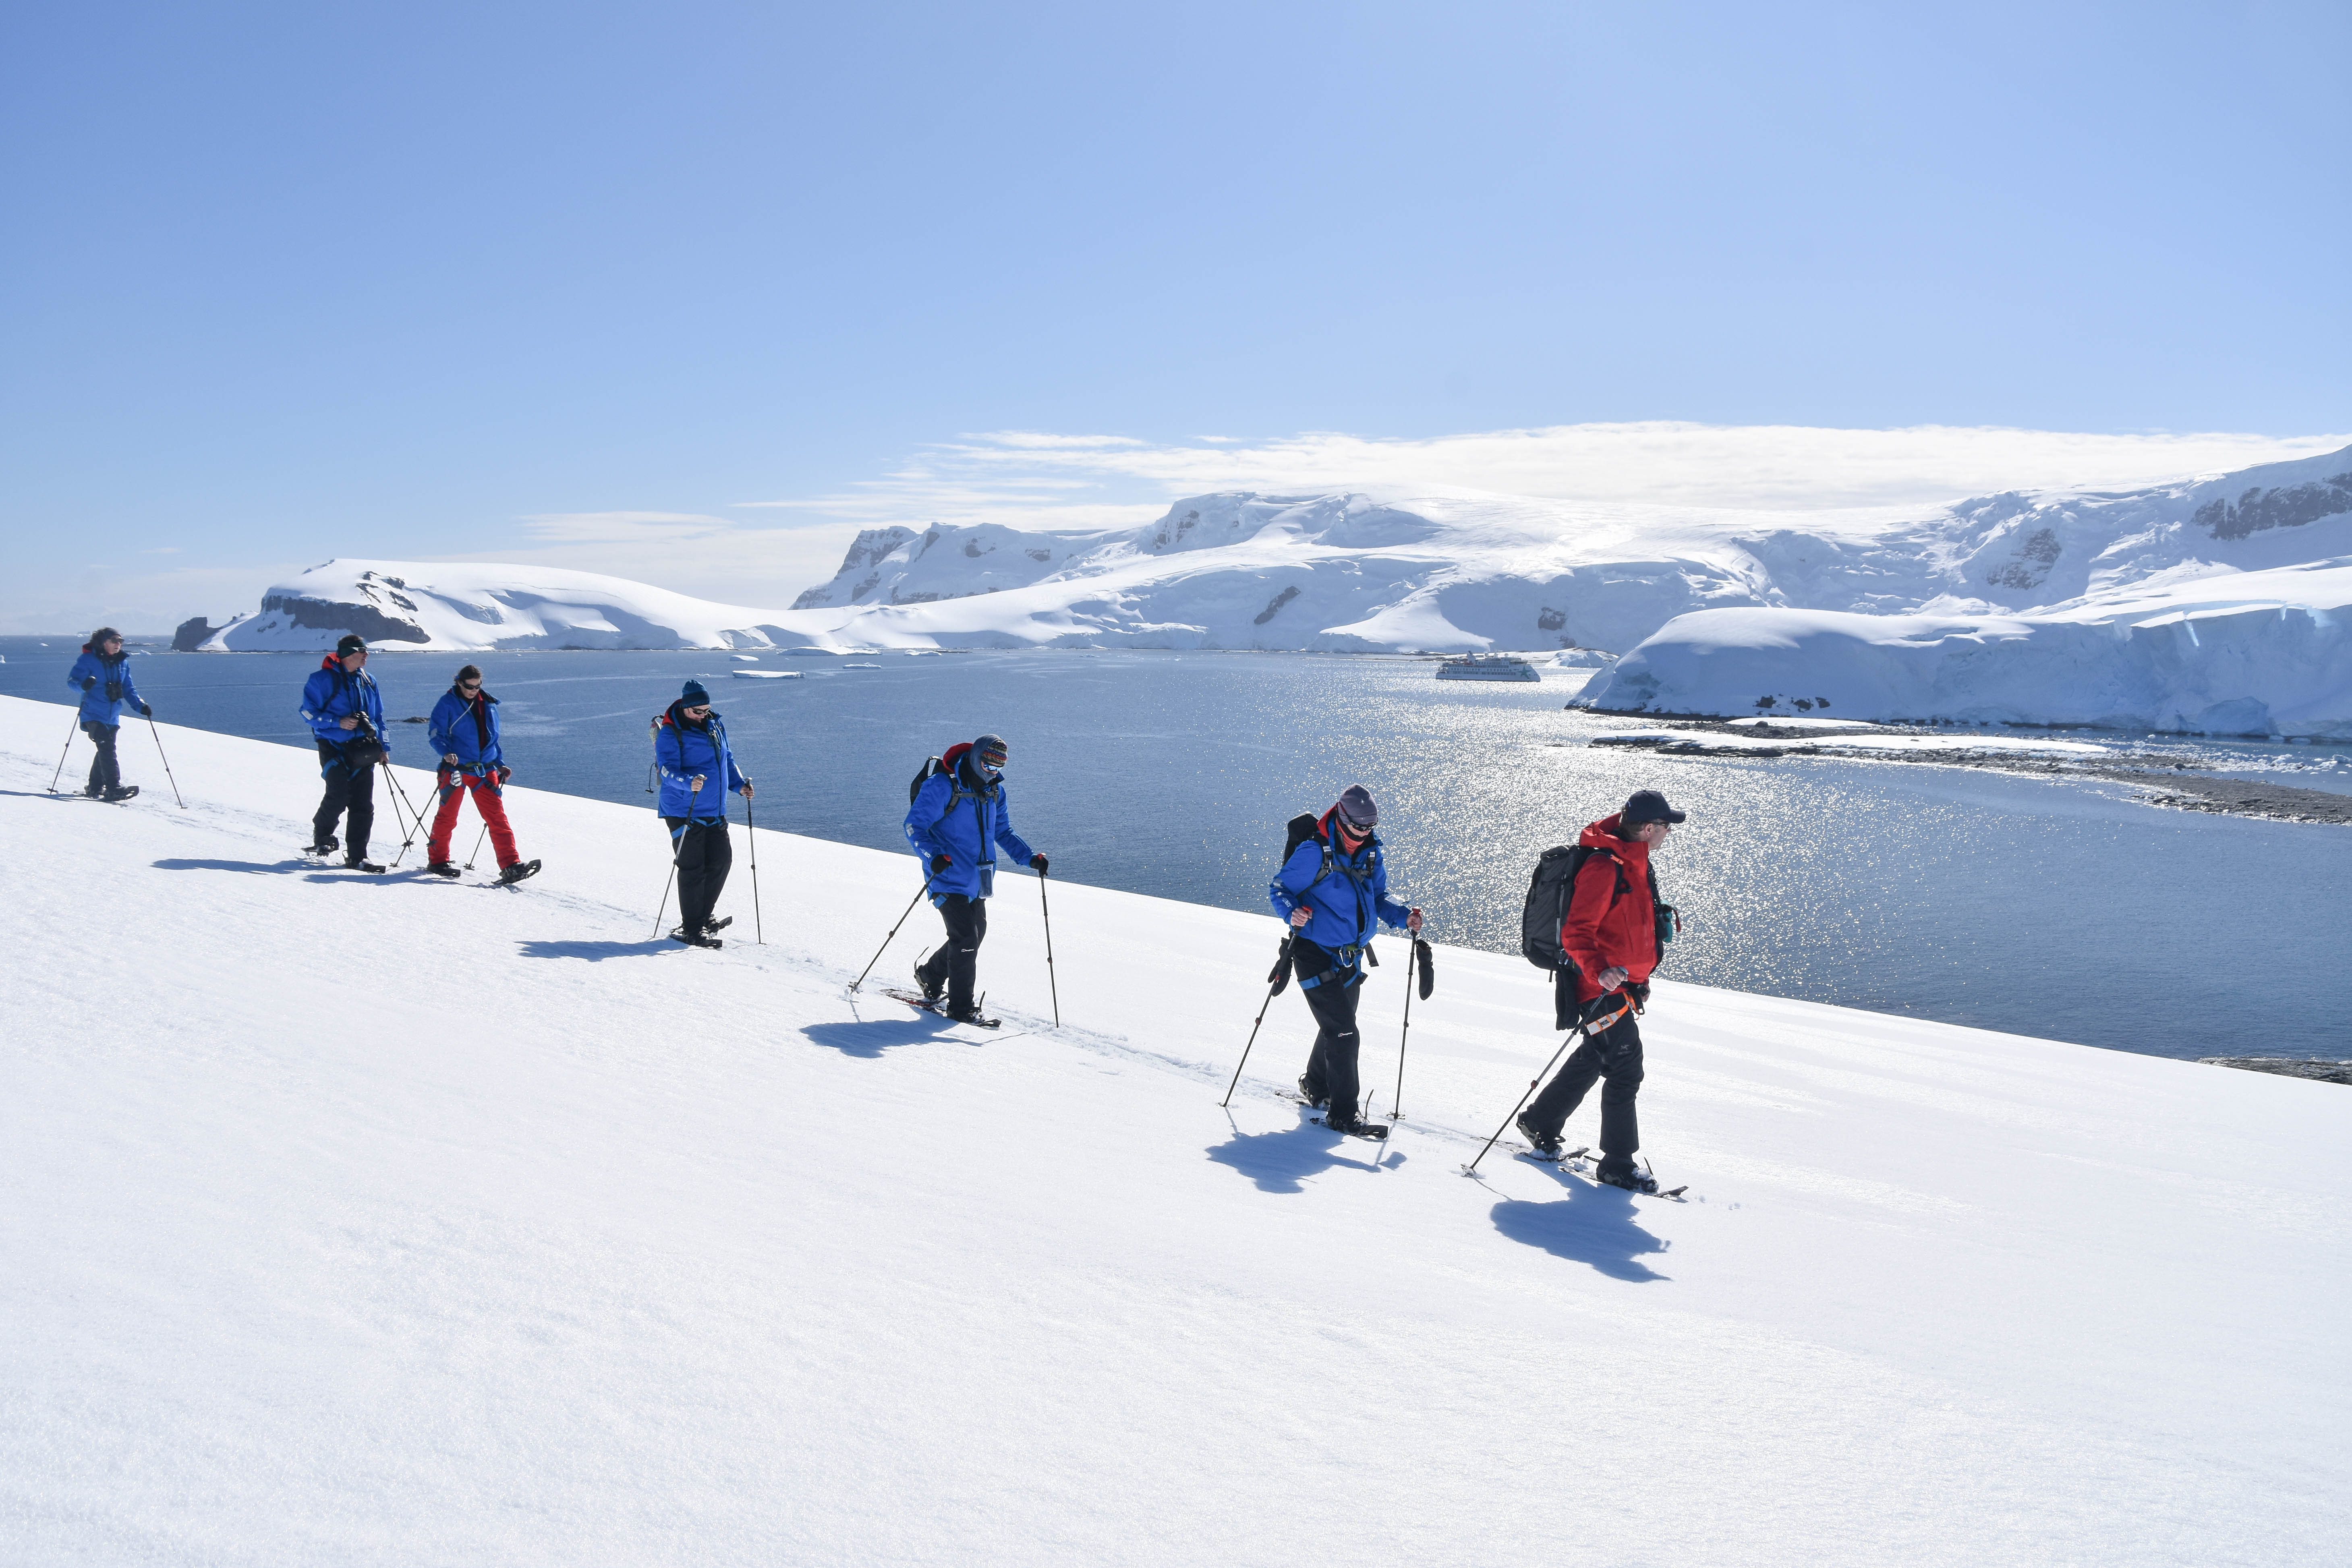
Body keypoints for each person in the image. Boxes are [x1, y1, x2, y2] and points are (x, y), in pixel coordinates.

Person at [1516, 788, 1685, 1191]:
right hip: (1597, 987)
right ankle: (1617, 1163)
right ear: (1648, 827)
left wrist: (1638, 981)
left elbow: (1630, 929)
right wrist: (1602, 972)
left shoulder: (1636, 863)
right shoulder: (1604, 867)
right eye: (1665, 826)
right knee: (1626, 1064)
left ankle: (1540, 1120)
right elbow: (1576, 933)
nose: (1667, 833)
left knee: (1596, 1054)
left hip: (1620, 986)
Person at [1268, 784, 1422, 1138]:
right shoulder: (1313, 852)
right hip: (1313, 953)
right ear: (1342, 816)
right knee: (1345, 1034)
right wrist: (1292, 913)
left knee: (1338, 1025)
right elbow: (1279, 888)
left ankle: (1315, 1085)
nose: (1366, 832)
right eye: (1359, 826)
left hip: (1349, 957)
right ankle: (1342, 1114)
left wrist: (1403, 917)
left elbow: (1378, 895)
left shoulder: (1370, 853)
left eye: (1371, 826)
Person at [903, 733, 1044, 1023]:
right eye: (988, 764)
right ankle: (961, 1007)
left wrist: (1029, 857)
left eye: (998, 766)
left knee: (973, 935)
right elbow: (914, 826)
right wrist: (933, 856)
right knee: (965, 937)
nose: (992, 771)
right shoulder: (942, 786)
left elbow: (1002, 832)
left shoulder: (994, 791)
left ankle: (929, 975)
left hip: (977, 880)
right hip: (945, 876)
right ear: (975, 757)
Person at [653, 680, 750, 948]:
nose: (703, 715)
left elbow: (727, 760)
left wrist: (739, 785)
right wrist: (688, 782)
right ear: (686, 707)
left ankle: (703, 916)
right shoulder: (671, 734)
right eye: (698, 711)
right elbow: (666, 769)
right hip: (683, 810)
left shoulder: (715, 726)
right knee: (692, 868)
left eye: (706, 710)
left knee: (721, 861)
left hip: (714, 810)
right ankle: (692, 927)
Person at [425, 665, 539, 884]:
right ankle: (438, 860)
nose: (473, 690)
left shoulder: (488, 704)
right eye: (469, 686)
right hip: (455, 770)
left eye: (478, 686)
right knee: (448, 817)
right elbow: (435, 734)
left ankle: (511, 865)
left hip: (485, 771)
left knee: (497, 818)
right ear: (459, 682)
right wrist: (446, 753)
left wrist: (500, 764)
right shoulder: (447, 703)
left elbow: (492, 739)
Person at [299, 634, 392, 872]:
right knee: (338, 795)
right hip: (333, 747)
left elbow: (379, 718)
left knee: (363, 804)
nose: (367, 655)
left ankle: (358, 857)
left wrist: (384, 748)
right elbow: (307, 714)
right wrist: (336, 722)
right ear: (348, 654)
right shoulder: (320, 680)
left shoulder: (369, 681)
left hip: (364, 749)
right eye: (362, 651)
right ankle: (322, 837)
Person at [65, 627, 148, 802]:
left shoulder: (123, 663)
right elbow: (72, 682)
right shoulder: (88, 660)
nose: (119, 644)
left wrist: (141, 706)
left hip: (113, 716)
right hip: (92, 714)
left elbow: (128, 689)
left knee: (104, 749)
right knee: (107, 748)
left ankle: (94, 787)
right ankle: (113, 788)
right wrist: (84, 685)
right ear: (103, 643)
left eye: (120, 641)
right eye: (115, 640)